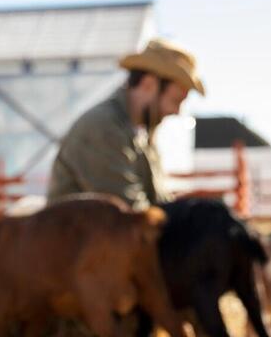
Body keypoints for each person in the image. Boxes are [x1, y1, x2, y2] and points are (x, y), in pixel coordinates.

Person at [48, 38, 205, 209]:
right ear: (148, 85)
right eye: (175, 101)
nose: (177, 111)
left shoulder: (140, 135)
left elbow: (157, 204)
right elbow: (132, 216)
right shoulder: (102, 128)